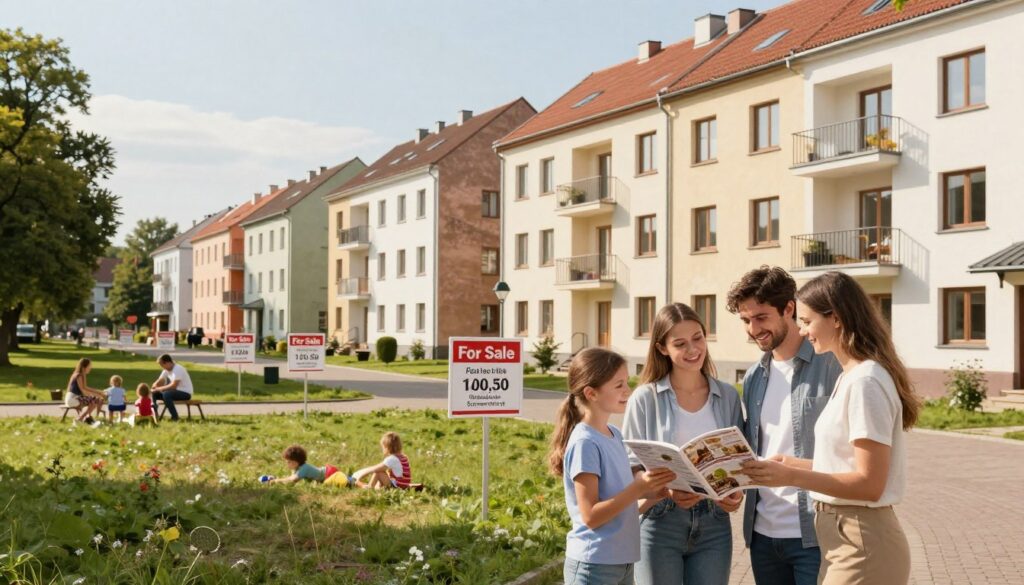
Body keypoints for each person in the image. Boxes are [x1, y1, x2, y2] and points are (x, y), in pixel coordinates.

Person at [742, 272, 921, 585]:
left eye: (808, 321)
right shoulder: (850, 376)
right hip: (842, 537)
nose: (802, 330)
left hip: (861, 539)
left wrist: (793, 476)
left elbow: (870, 484)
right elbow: (846, 465)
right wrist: (793, 464)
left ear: (836, 318)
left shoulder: (866, 381)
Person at [726, 266, 842, 585]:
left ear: (789, 308)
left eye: (761, 317)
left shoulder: (832, 365)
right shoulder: (752, 377)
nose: (753, 329)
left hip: (815, 533)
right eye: (746, 321)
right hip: (762, 534)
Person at [622, 303, 744, 585]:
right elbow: (631, 467)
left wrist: (734, 496)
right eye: (680, 343)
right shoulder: (645, 398)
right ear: (663, 348)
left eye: (698, 338)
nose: (693, 350)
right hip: (660, 520)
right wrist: (666, 489)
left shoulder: (727, 396)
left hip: (715, 522)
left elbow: (738, 462)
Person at [550, 347, 676, 585]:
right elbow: (591, 516)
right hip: (594, 565)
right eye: (618, 385)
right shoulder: (585, 442)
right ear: (591, 393)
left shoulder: (614, 435)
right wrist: (638, 489)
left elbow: (622, 507)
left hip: (621, 562)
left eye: (626, 382)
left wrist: (658, 493)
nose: (628, 390)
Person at [264, 444, 339, 484]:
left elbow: (292, 480)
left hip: (329, 473)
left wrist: (276, 481)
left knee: (344, 481)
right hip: (326, 472)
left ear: (295, 462)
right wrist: (276, 479)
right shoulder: (296, 468)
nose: (287, 464)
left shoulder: (304, 468)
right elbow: (290, 478)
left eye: (289, 462)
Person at [151, 354, 194, 421]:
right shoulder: (166, 370)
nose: (162, 367)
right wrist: (154, 386)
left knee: (166, 394)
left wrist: (159, 388)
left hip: (185, 393)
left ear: (168, 362)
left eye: (162, 365)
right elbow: (160, 381)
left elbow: (174, 386)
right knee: (154, 393)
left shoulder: (178, 369)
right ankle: (155, 414)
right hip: (175, 392)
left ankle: (175, 417)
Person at [65, 358, 105, 425]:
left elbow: (85, 387)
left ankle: (86, 418)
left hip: (73, 399)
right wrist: (96, 395)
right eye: (89, 366)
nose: (91, 368)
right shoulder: (79, 375)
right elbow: (83, 390)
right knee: (95, 401)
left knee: (94, 401)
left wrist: (98, 392)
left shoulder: (80, 374)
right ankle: (80, 419)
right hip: (72, 400)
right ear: (84, 367)